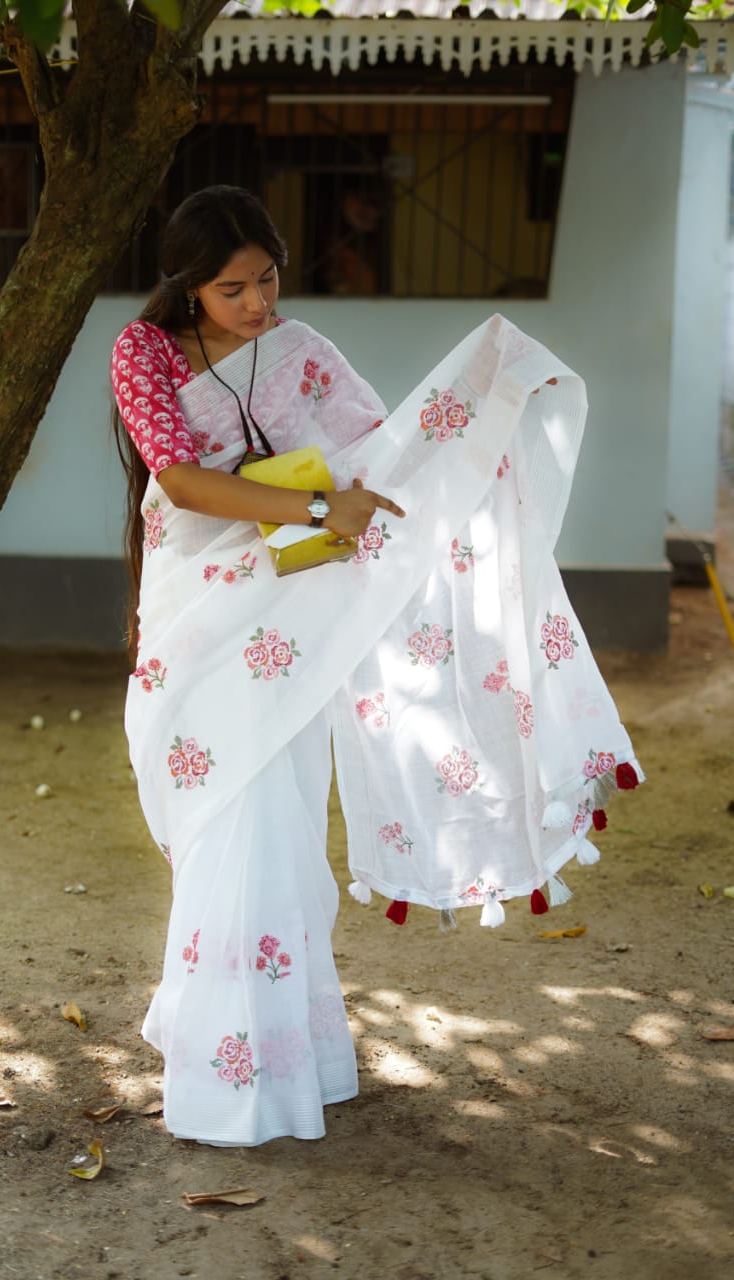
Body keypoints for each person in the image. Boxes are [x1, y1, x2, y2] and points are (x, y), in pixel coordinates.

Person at [110, 185, 641, 1148]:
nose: (259, 304)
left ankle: (273, 1064)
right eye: (233, 290)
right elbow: (179, 478)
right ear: (187, 286)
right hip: (203, 616)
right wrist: (318, 514)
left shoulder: (304, 354)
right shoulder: (143, 352)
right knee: (223, 815)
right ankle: (221, 1051)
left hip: (293, 623)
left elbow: (382, 459)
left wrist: (485, 398)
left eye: (268, 279)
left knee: (271, 823)